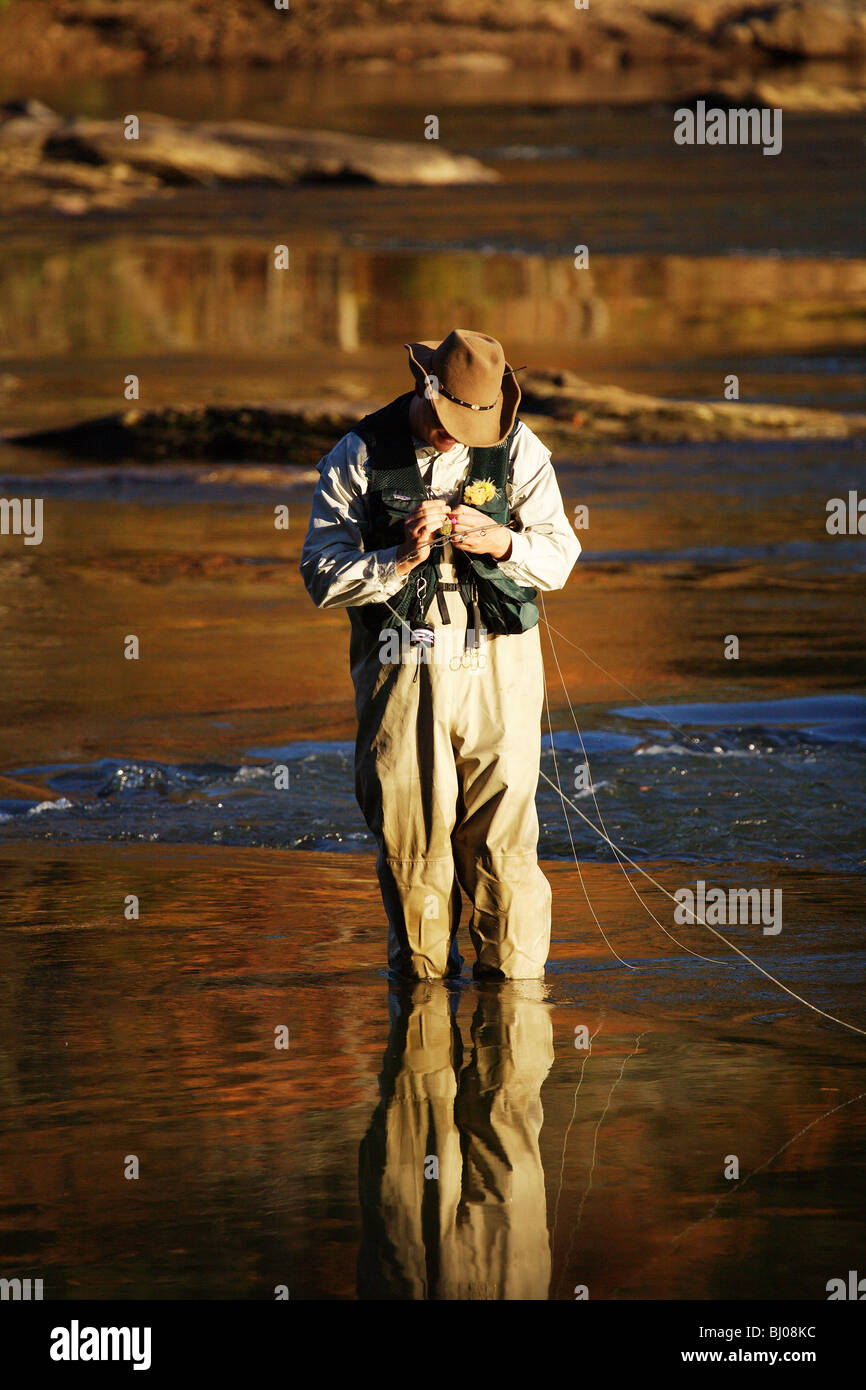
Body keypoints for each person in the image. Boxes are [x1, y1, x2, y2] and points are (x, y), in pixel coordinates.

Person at [300, 329, 580, 980]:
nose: (464, 437)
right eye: (454, 422)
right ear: (427, 388)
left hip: (500, 663)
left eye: (478, 425)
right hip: (401, 664)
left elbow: (560, 555)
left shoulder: (521, 449)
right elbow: (319, 574)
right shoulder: (357, 454)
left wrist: (503, 542)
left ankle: (514, 1018)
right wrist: (396, 558)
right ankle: (422, 1019)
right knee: (412, 845)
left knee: (504, 849)